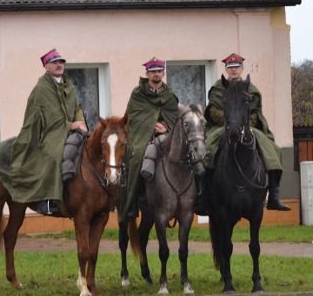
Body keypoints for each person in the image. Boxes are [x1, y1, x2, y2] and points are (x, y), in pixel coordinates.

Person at [200, 53, 290, 212]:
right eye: (230, 68)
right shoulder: (218, 88)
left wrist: (245, 124)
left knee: (272, 149)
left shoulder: (251, 89)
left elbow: (256, 113)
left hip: (248, 127)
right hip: (222, 127)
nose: (234, 70)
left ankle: (274, 195)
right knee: (207, 149)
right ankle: (204, 195)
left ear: (241, 69)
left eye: (236, 67)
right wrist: (230, 122)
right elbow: (213, 111)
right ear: (226, 69)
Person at [10, 49, 87, 216]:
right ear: (46, 66)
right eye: (54, 62)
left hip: (72, 128)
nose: (59, 65)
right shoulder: (42, 88)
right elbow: (52, 117)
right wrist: (71, 125)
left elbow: (77, 107)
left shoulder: (69, 84)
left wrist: (81, 123)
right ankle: (48, 199)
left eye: (61, 62)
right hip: (51, 132)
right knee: (54, 155)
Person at [119, 57, 179, 219]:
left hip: (166, 134)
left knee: (185, 153)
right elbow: (133, 117)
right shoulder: (138, 93)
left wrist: (166, 126)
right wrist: (151, 125)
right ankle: (133, 200)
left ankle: (192, 197)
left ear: (163, 73)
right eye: (153, 72)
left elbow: (175, 116)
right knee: (137, 155)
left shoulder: (169, 95)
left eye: (159, 71)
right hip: (141, 134)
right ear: (147, 74)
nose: (156, 74)